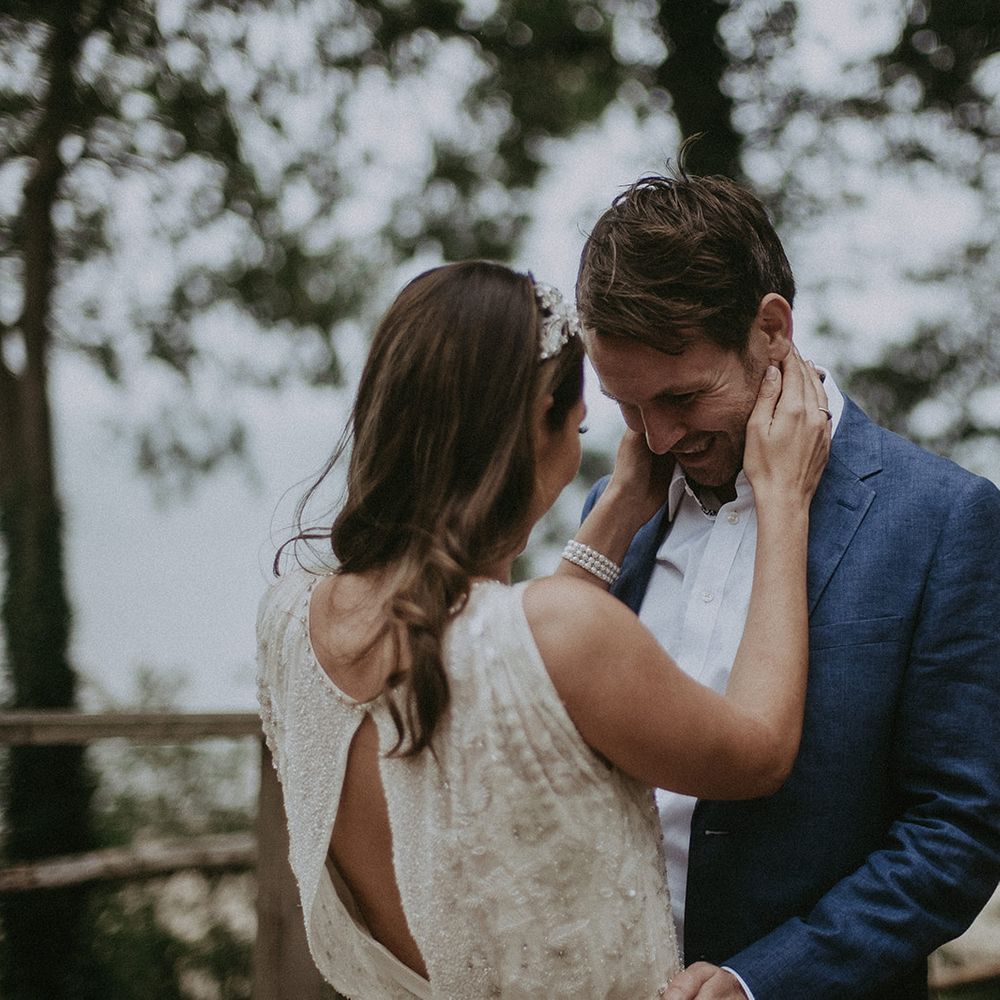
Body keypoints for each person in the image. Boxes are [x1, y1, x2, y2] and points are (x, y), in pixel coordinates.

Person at [256, 259, 831, 998]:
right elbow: (758, 751)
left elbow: (509, 681)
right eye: (580, 427)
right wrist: (784, 497)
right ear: (538, 428)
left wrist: (622, 502)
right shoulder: (564, 631)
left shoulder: (292, 618)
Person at [576, 169, 1000, 1000]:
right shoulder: (616, 508)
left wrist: (756, 983)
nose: (657, 436)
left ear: (771, 328)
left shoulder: (946, 519)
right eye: (628, 407)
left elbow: (957, 834)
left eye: (683, 397)